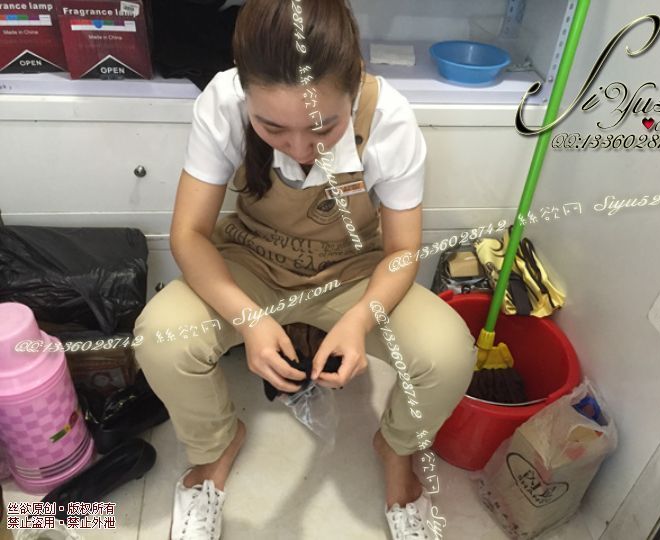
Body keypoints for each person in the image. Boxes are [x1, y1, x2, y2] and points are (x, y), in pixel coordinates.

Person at [133, 0, 476, 538]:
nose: (300, 149)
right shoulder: (222, 101)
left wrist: (360, 320)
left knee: (449, 354)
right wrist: (248, 318)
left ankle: (397, 447)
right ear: (246, 92)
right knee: (160, 337)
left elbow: (402, 251)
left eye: (324, 129)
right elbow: (189, 234)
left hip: (352, 272)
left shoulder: (390, 118)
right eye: (272, 128)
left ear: (353, 86)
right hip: (252, 261)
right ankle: (215, 447)